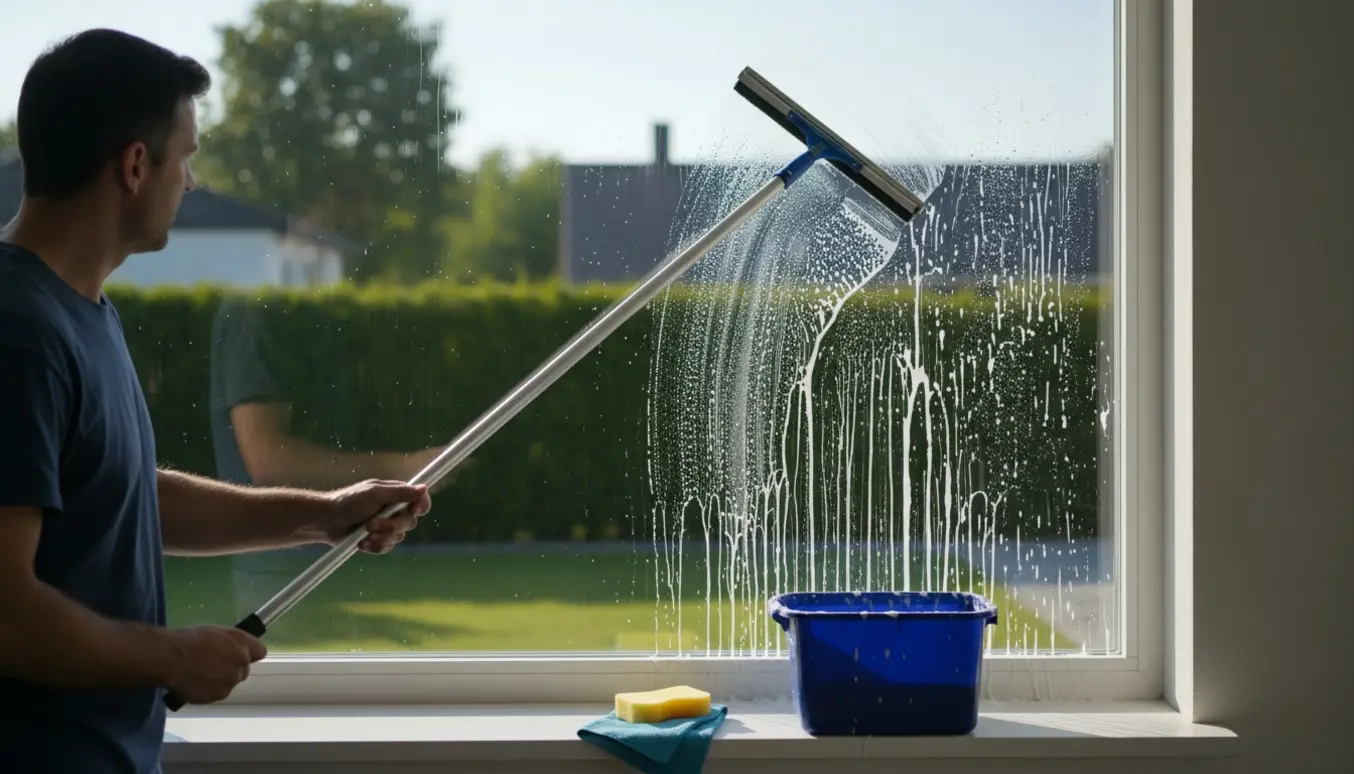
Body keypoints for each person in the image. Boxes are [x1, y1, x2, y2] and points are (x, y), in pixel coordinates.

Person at [0, 29, 432, 774]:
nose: (191, 182)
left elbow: (125, 497)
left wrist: (321, 514)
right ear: (137, 165)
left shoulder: (77, 311)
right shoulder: (19, 335)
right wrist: (170, 655)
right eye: (187, 156)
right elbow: (5, 613)